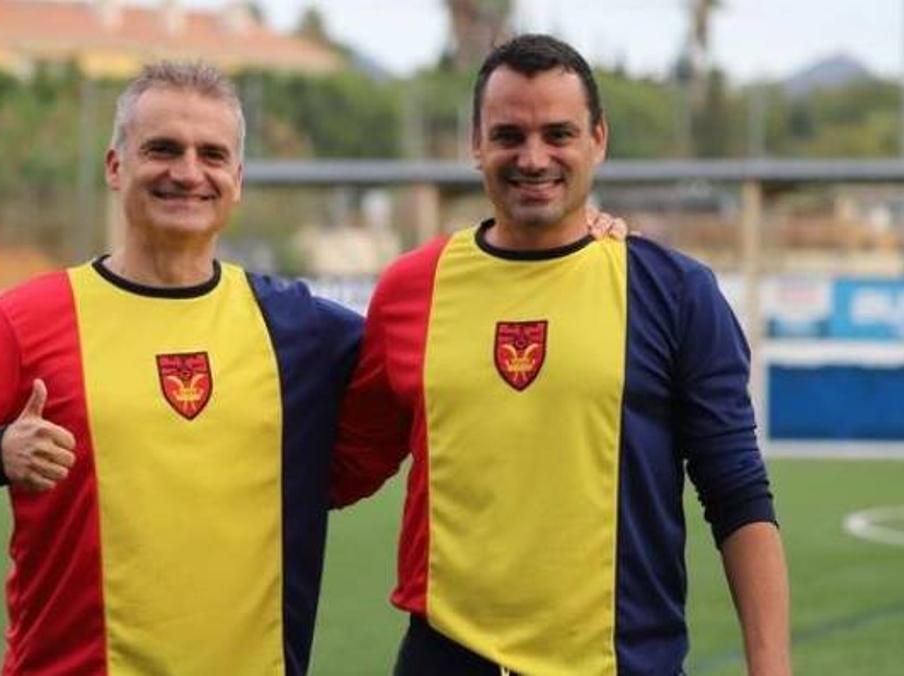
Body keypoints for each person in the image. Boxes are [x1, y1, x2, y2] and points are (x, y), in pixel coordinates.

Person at [0, 62, 364, 675]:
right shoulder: (30, 319)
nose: (188, 172)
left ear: (237, 179)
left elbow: (405, 390)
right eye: (162, 149)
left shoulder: (299, 328)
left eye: (211, 154)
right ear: (115, 165)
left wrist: (312, 486)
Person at [332, 35, 791, 676]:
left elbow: (737, 492)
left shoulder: (672, 291)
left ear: (598, 139)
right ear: (476, 143)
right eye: (509, 135)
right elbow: (345, 465)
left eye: (558, 134)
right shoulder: (412, 287)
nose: (533, 157)